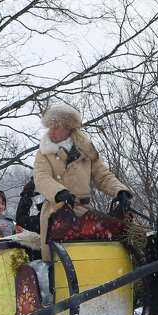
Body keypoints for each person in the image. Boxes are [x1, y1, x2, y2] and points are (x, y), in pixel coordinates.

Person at [33, 102, 132, 257]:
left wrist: (120, 191)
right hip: (57, 214)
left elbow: (103, 176)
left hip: (85, 214)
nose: (51, 131)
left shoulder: (86, 151)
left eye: (56, 126)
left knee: (86, 258)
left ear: (69, 128)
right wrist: (59, 192)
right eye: (50, 126)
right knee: (58, 263)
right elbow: (41, 178)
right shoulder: (43, 153)